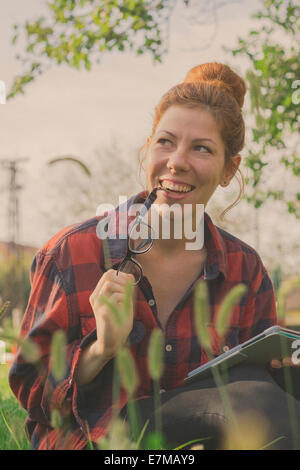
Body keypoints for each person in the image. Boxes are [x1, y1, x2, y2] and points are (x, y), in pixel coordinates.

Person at [8, 62, 300, 450]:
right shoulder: (72, 252)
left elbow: (256, 397)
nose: (177, 161)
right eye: (166, 142)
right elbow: (32, 393)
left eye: (201, 148)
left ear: (229, 169)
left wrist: (284, 373)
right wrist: (101, 349)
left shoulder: (245, 270)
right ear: (147, 149)